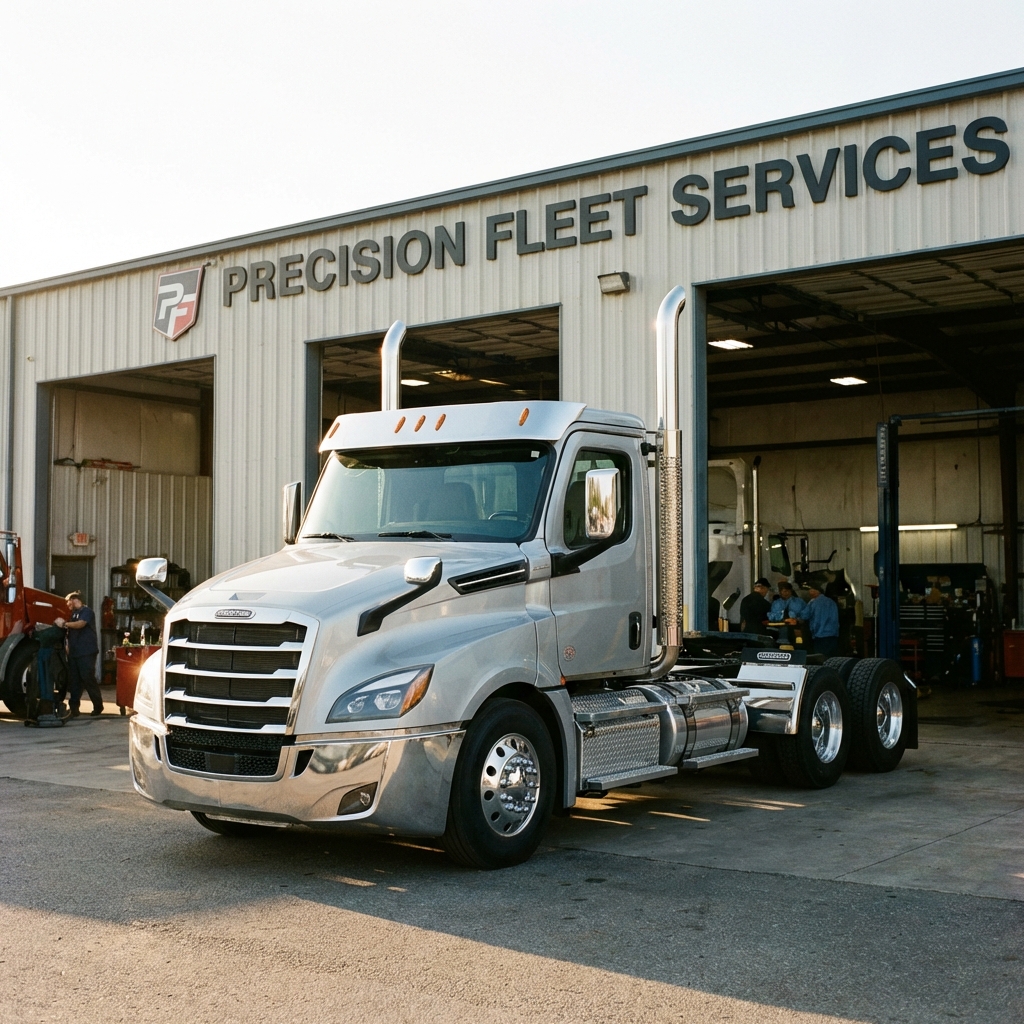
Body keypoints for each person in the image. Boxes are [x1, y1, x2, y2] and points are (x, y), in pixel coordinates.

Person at [54, 591, 103, 717]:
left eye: (68, 601)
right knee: (75, 680)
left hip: (86, 652)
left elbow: (81, 624)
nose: (67, 604)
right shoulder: (73, 614)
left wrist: (64, 624)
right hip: (74, 652)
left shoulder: (87, 612)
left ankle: (98, 705)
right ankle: (74, 708)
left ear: (75, 599)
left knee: (87, 677)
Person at [806, 582, 840, 657]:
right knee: (831, 659)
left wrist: (813, 632)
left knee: (820, 658)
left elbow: (812, 618)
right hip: (833, 634)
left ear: (817, 591)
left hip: (820, 635)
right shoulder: (831, 602)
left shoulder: (814, 603)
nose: (809, 592)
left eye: (811, 590)